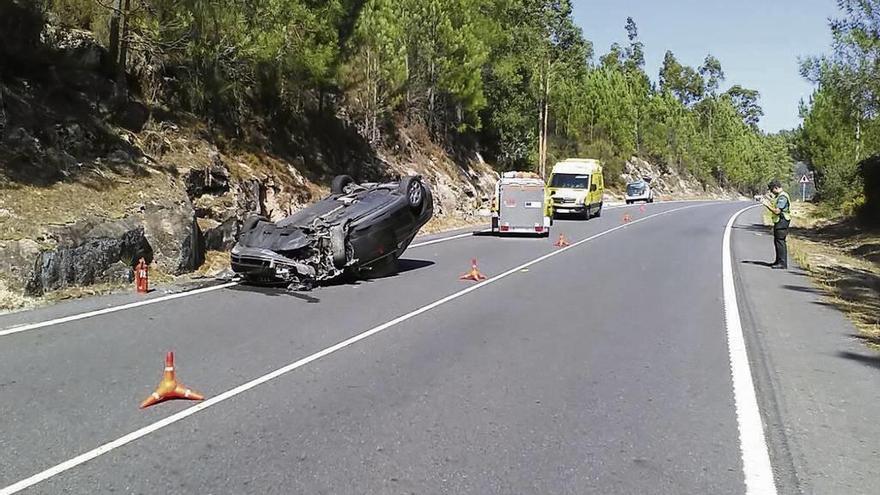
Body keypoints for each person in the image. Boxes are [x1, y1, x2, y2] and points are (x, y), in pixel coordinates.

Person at [761, 180, 791, 269]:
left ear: (776, 188)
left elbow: (777, 211)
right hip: (779, 221)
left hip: (782, 221)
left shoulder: (782, 197)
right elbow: (775, 204)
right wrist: (769, 199)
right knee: (777, 241)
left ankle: (782, 263)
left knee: (780, 241)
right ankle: (778, 261)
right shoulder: (779, 196)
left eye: (771, 190)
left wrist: (766, 205)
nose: (771, 192)